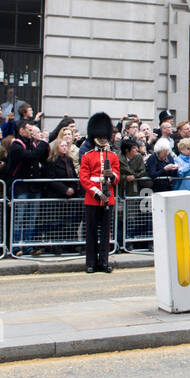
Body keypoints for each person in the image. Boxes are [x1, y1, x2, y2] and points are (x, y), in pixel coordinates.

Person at [78, 113, 120, 273]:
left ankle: (103, 262)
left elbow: (117, 177)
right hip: (92, 199)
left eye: (105, 137)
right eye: (100, 136)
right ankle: (90, 263)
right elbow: (84, 178)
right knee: (91, 232)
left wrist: (111, 177)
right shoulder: (88, 156)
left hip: (108, 198)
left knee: (105, 233)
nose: (103, 139)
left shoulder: (113, 156)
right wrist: (96, 193)